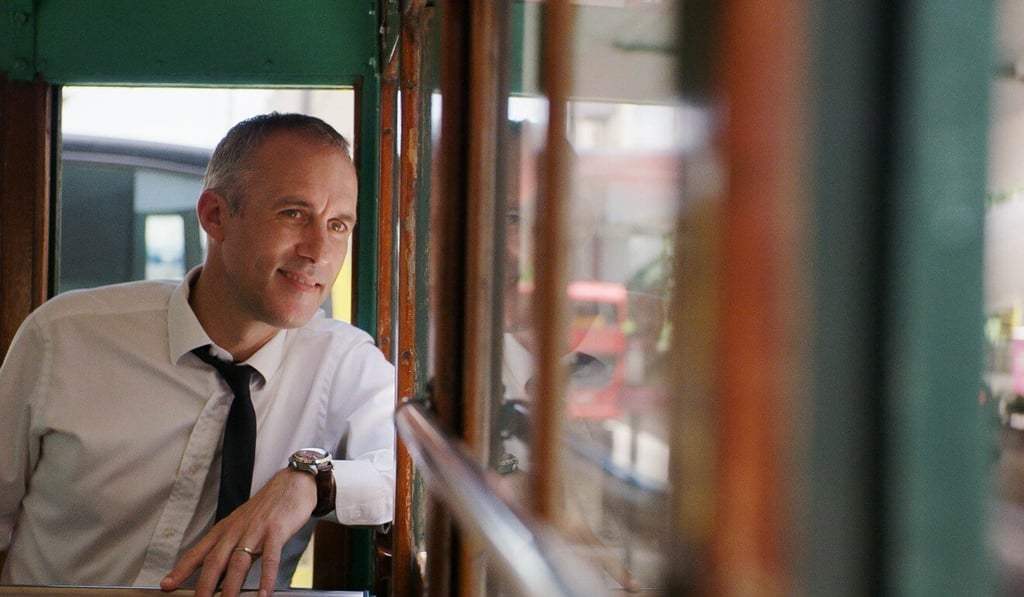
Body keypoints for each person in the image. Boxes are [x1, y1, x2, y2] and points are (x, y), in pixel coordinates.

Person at [0, 112, 396, 597]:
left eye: (338, 225)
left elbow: (411, 480)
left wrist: (310, 482)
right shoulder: (63, 336)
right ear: (215, 216)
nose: (319, 251)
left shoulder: (344, 363)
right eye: (294, 213)